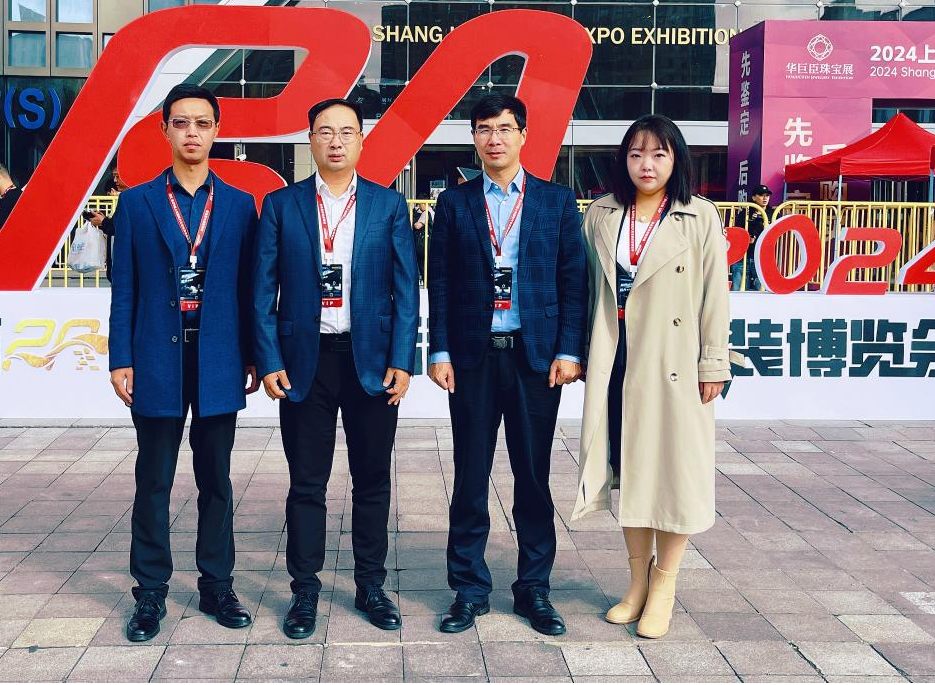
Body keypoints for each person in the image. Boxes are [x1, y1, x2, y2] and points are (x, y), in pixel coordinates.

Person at [253, 98, 418, 640]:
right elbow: (262, 291)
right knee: (306, 483)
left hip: (371, 363)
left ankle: (371, 585)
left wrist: (402, 360)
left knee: (372, 481)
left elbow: (405, 290)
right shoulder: (281, 205)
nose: (336, 141)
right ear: (311, 139)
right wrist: (269, 360)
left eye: (347, 132)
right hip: (306, 364)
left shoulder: (388, 205)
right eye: (325, 131)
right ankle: (304, 590)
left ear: (362, 140)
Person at [427, 94, 588, 636]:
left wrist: (569, 350)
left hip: (534, 359)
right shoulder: (454, 203)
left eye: (503, 128)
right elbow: (440, 282)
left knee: (533, 477)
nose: (493, 139)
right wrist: (440, 351)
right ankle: (469, 590)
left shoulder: (555, 201)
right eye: (483, 129)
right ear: (473, 138)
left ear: (523, 135)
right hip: (472, 358)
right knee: (470, 477)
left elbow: (573, 280)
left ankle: (533, 589)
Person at [107, 84, 260, 642]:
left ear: (217, 130)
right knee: (154, 478)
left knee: (216, 478)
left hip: (218, 357)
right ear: (165, 130)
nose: (192, 132)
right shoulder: (137, 203)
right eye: (181, 122)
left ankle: (217, 584)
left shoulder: (241, 206)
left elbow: (251, 288)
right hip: (155, 357)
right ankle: (150, 592)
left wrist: (252, 354)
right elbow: (124, 286)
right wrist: (120, 356)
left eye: (202, 122)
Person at [570, 115, 730, 639]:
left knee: (674, 472)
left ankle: (665, 584)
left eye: (659, 154)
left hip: (675, 361)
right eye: (637, 153)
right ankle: (636, 581)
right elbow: (586, 290)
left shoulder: (699, 215)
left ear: (676, 160)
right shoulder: (601, 213)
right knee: (632, 470)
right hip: (617, 358)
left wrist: (714, 362)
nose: (647, 164)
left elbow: (715, 295)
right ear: (623, 159)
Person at [735, 184, 770, 291]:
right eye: (761, 195)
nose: (765, 198)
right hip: (743, 256)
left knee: (762, 291)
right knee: (738, 290)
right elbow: (738, 231)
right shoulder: (745, 213)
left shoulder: (773, 213)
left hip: (762, 257)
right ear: (754, 197)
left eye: (767, 195)